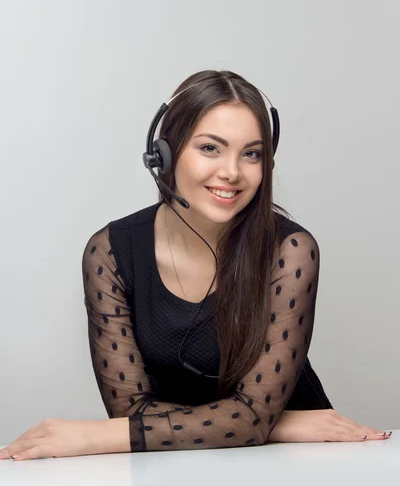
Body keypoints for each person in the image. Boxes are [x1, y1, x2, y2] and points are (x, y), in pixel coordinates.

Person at [81, 70, 389, 452]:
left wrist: (84, 436)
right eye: (210, 148)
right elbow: (129, 412)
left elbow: (252, 417)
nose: (231, 172)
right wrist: (270, 425)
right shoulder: (110, 252)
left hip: (298, 460)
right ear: (164, 153)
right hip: (180, 465)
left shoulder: (290, 250)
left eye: (252, 154)